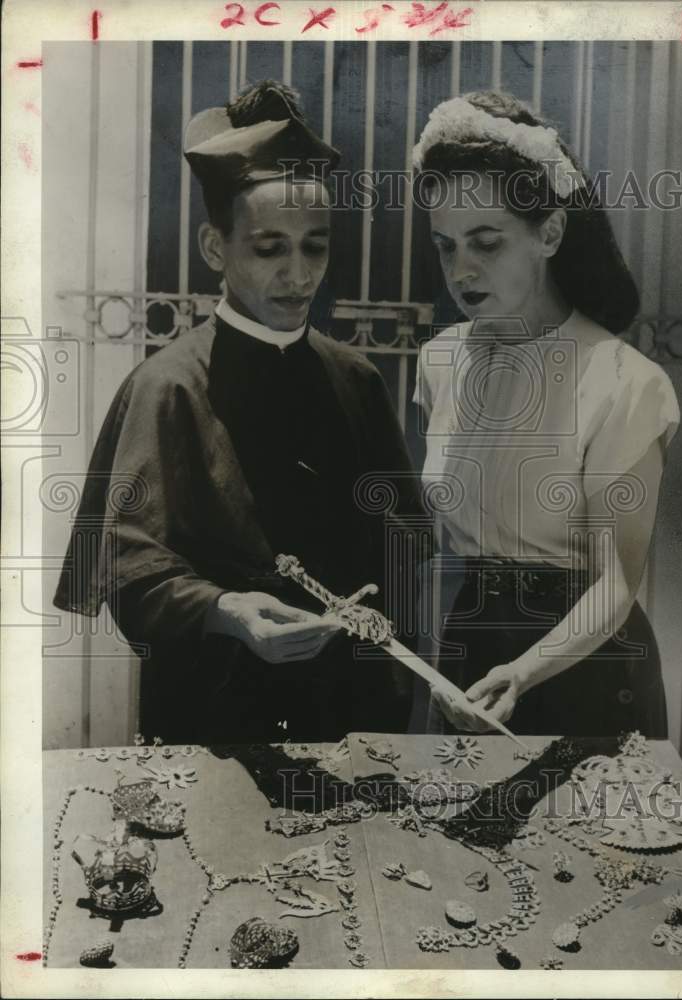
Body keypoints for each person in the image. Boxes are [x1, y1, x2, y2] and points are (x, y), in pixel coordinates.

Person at [54, 80, 421, 745]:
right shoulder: (166, 387)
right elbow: (132, 573)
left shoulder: (356, 381)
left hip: (349, 717)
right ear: (214, 248)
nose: (299, 274)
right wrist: (226, 611)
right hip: (213, 718)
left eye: (315, 245)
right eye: (269, 247)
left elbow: (401, 551)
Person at [412, 91, 681, 737]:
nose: (462, 269)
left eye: (486, 242)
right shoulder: (440, 362)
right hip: (470, 652)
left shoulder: (625, 383)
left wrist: (526, 671)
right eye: (446, 246)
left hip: (583, 670)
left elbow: (617, 584)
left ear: (550, 233)